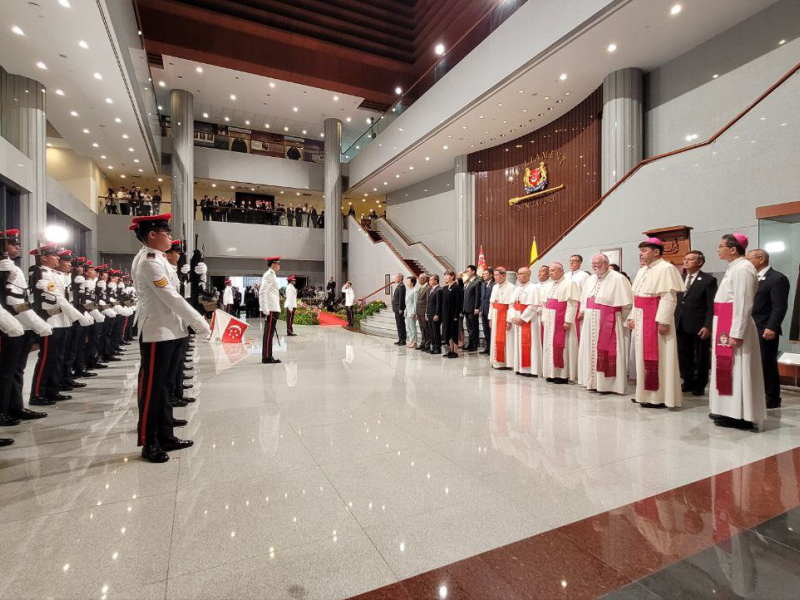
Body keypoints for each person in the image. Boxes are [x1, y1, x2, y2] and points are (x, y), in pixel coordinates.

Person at [129, 213, 211, 463]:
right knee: (153, 389)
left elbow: (177, 291)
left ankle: (165, 434)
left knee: (164, 387)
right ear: (152, 235)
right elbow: (171, 297)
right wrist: (199, 321)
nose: (170, 237)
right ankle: (149, 441)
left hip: (171, 330)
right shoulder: (149, 261)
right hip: (158, 333)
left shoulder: (160, 259)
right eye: (166, 233)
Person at [710, 234, 766, 430]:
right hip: (724, 322)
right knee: (727, 369)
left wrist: (737, 333)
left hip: (734, 326)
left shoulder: (743, 269)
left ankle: (741, 415)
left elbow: (743, 303)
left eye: (721, 246)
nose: (718, 249)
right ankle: (728, 410)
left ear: (733, 249)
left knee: (739, 369)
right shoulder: (734, 267)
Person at [0, 229, 52, 437]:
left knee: (17, 369)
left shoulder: (11, 267)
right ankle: (2, 411)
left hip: (19, 325)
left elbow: (22, 300)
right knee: (5, 373)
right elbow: (12, 302)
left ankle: (15, 406)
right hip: (8, 327)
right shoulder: (6, 268)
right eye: (11, 244)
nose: (17, 247)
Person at [628, 237, 684, 409]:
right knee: (641, 357)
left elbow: (668, 297)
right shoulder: (642, 271)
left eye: (644, 251)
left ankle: (658, 396)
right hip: (641, 316)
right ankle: (644, 394)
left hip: (655, 319)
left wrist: (663, 321)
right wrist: (631, 316)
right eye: (640, 251)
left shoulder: (666, 268)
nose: (641, 254)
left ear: (656, 251)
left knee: (659, 358)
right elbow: (636, 298)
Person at [577, 254, 634, 394]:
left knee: (607, 350)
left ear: (606, 263)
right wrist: (584, 311)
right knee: (590, 350)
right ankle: (591, 381)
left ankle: (609, 385)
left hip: (609, 320)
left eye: (598, 263)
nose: (595, 266)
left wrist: (617, 319)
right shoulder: (590, 279)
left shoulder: (618, 278)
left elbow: (627, 304)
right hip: (590, 321)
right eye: (593, 264)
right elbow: (585, 301)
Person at [746, 248, 790, 409]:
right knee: (752, 363)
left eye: (750, 259)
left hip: (765, 328)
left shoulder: (777, 278)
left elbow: (779, 306)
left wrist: (772, 326)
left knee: (766, 362)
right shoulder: (751, 277)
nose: (747, 261)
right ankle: (755, 392)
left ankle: (771, 397)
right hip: (749, 326)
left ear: (762, 259)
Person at [675, 251, 717, 396]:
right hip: (680, 322)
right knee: (683, 354)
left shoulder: (708, 280)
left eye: (690, 260)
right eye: (685, 259)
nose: (686, 262)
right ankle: (687, 380)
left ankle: (700, 384)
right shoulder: (680, 278)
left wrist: (708, 325)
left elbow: (711, 305)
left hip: (698, 324)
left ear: (700, 262)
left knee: (700, 356)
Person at [541, 262, 580, 383]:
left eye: (553, 271)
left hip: (561, 320)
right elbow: (544, 304)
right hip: (549, 319)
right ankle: (551, 372)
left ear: (561, 271)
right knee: (549, 346)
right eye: (550, 271)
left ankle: (563, 375)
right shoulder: (547, 285)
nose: (551, 273)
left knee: (562, 346)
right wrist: (543, 318)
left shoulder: (569, 283)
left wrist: (568, 320)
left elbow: (572, 303)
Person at [511, 266, 541, 377]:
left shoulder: (533, 288)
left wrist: (522, 318)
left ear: (528, 275)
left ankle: (530, 369)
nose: (519, 276)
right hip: (517, 319)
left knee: (530, 344)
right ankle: (519, 367)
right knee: (518, 344)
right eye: (518, 274)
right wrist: (513, 316)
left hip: (528, 320)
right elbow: (511, 305)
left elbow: (534, 305)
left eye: (522, 273)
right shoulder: (517, 288)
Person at [488, 267, 515, 369]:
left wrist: (509, 320)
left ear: (504, 275)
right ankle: (495, 360)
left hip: (504, 315)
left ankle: (505, 362)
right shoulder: (495, 287)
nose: (495, 277)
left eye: (497, 275)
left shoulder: (511, 287)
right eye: (494, 275)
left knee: (505, 339)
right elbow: (491, 304)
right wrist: (490, 318)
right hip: (495, 315)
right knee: (495, 338)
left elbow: (511, 306)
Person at [260, 256, 282, 364]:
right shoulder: (269, 275)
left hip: (273, 308)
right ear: (273, 264)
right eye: (278, 263)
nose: (279, 265)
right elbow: (262, 292)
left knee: (269, 333)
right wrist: (265, 308)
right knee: (269, 333)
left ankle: (267, 355)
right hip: (271, 308)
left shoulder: (272, 275)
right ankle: (267, 357)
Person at [440, 271, 462, 358]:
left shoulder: (456, 288)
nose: (445, 277)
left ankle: (455, 351)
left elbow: (458, 303)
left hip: (453, 313)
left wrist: (456, 315)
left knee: (454, 332)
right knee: (447, 332)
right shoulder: (445, 288)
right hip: (446, 313)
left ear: (452, 276)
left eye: (447, 276)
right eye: (444, 276)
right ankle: (450, 350)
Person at [462, 265, 482, 352]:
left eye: (468, 271)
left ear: (473, 271)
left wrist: (477, 307)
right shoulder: (468, 282)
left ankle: (474, 344)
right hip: (466, 308)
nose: (467, 272)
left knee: (474, 327)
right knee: (469, 327)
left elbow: (477, 296)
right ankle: (470, 343)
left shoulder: (477, 282)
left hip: (473, 308)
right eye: (466, 271)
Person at [426, 275, 442, 354]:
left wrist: (437, 314)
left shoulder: (438, 290)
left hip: (435, 314)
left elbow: (439, 304)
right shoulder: (432, 289)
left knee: (436, 331)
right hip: (430, 314)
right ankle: (433, 346)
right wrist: (427, 313)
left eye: (430, 280)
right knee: (431, 331)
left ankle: (437, 348)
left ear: (436, 281)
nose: (429, 282)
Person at [479, 268, 494, 355]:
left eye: (485, 273)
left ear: (491, 275)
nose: (483, 275)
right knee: (486, 331)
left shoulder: (494, 285)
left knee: (491, 330)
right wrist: (481, 308)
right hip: (484, 311)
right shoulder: (483, 285)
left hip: (490, 311)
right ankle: (488, 347)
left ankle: (492, 348)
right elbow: (482, 298)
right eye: (483, 274)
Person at [415, 274, 430, 350]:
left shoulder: (428, 288)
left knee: (426, 328)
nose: (418, 280)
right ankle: (423, 343)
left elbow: (428, 301)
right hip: (419, 312)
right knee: (422, 329)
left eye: (420, 278)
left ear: (424, 279)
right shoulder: (421, 288)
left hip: (424, 312)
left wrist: (426, 312)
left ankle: (427, 345)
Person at [391, 273, 406, 346]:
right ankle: (400, 339)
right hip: (396, 308)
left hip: (399, 308)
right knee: (398, 324)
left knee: (401, 324)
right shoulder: (399, 286)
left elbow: (401, 299)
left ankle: (403, 340)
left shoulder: (402, 286)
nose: (395, 278)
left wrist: (401, 308)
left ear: (400, 278)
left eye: (396, 277)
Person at [404, 276, 419, 348]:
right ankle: (411, 341)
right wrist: (405, 311)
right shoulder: (408, 290)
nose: (407, 282)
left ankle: (414, 342)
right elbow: (407, 303)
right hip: (407, 311)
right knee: (408, 328)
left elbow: (415, 303)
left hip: (412, 312)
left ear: (413, 282)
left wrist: (414, 312)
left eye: (408, 281)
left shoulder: (415, 291)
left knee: (412, 328)